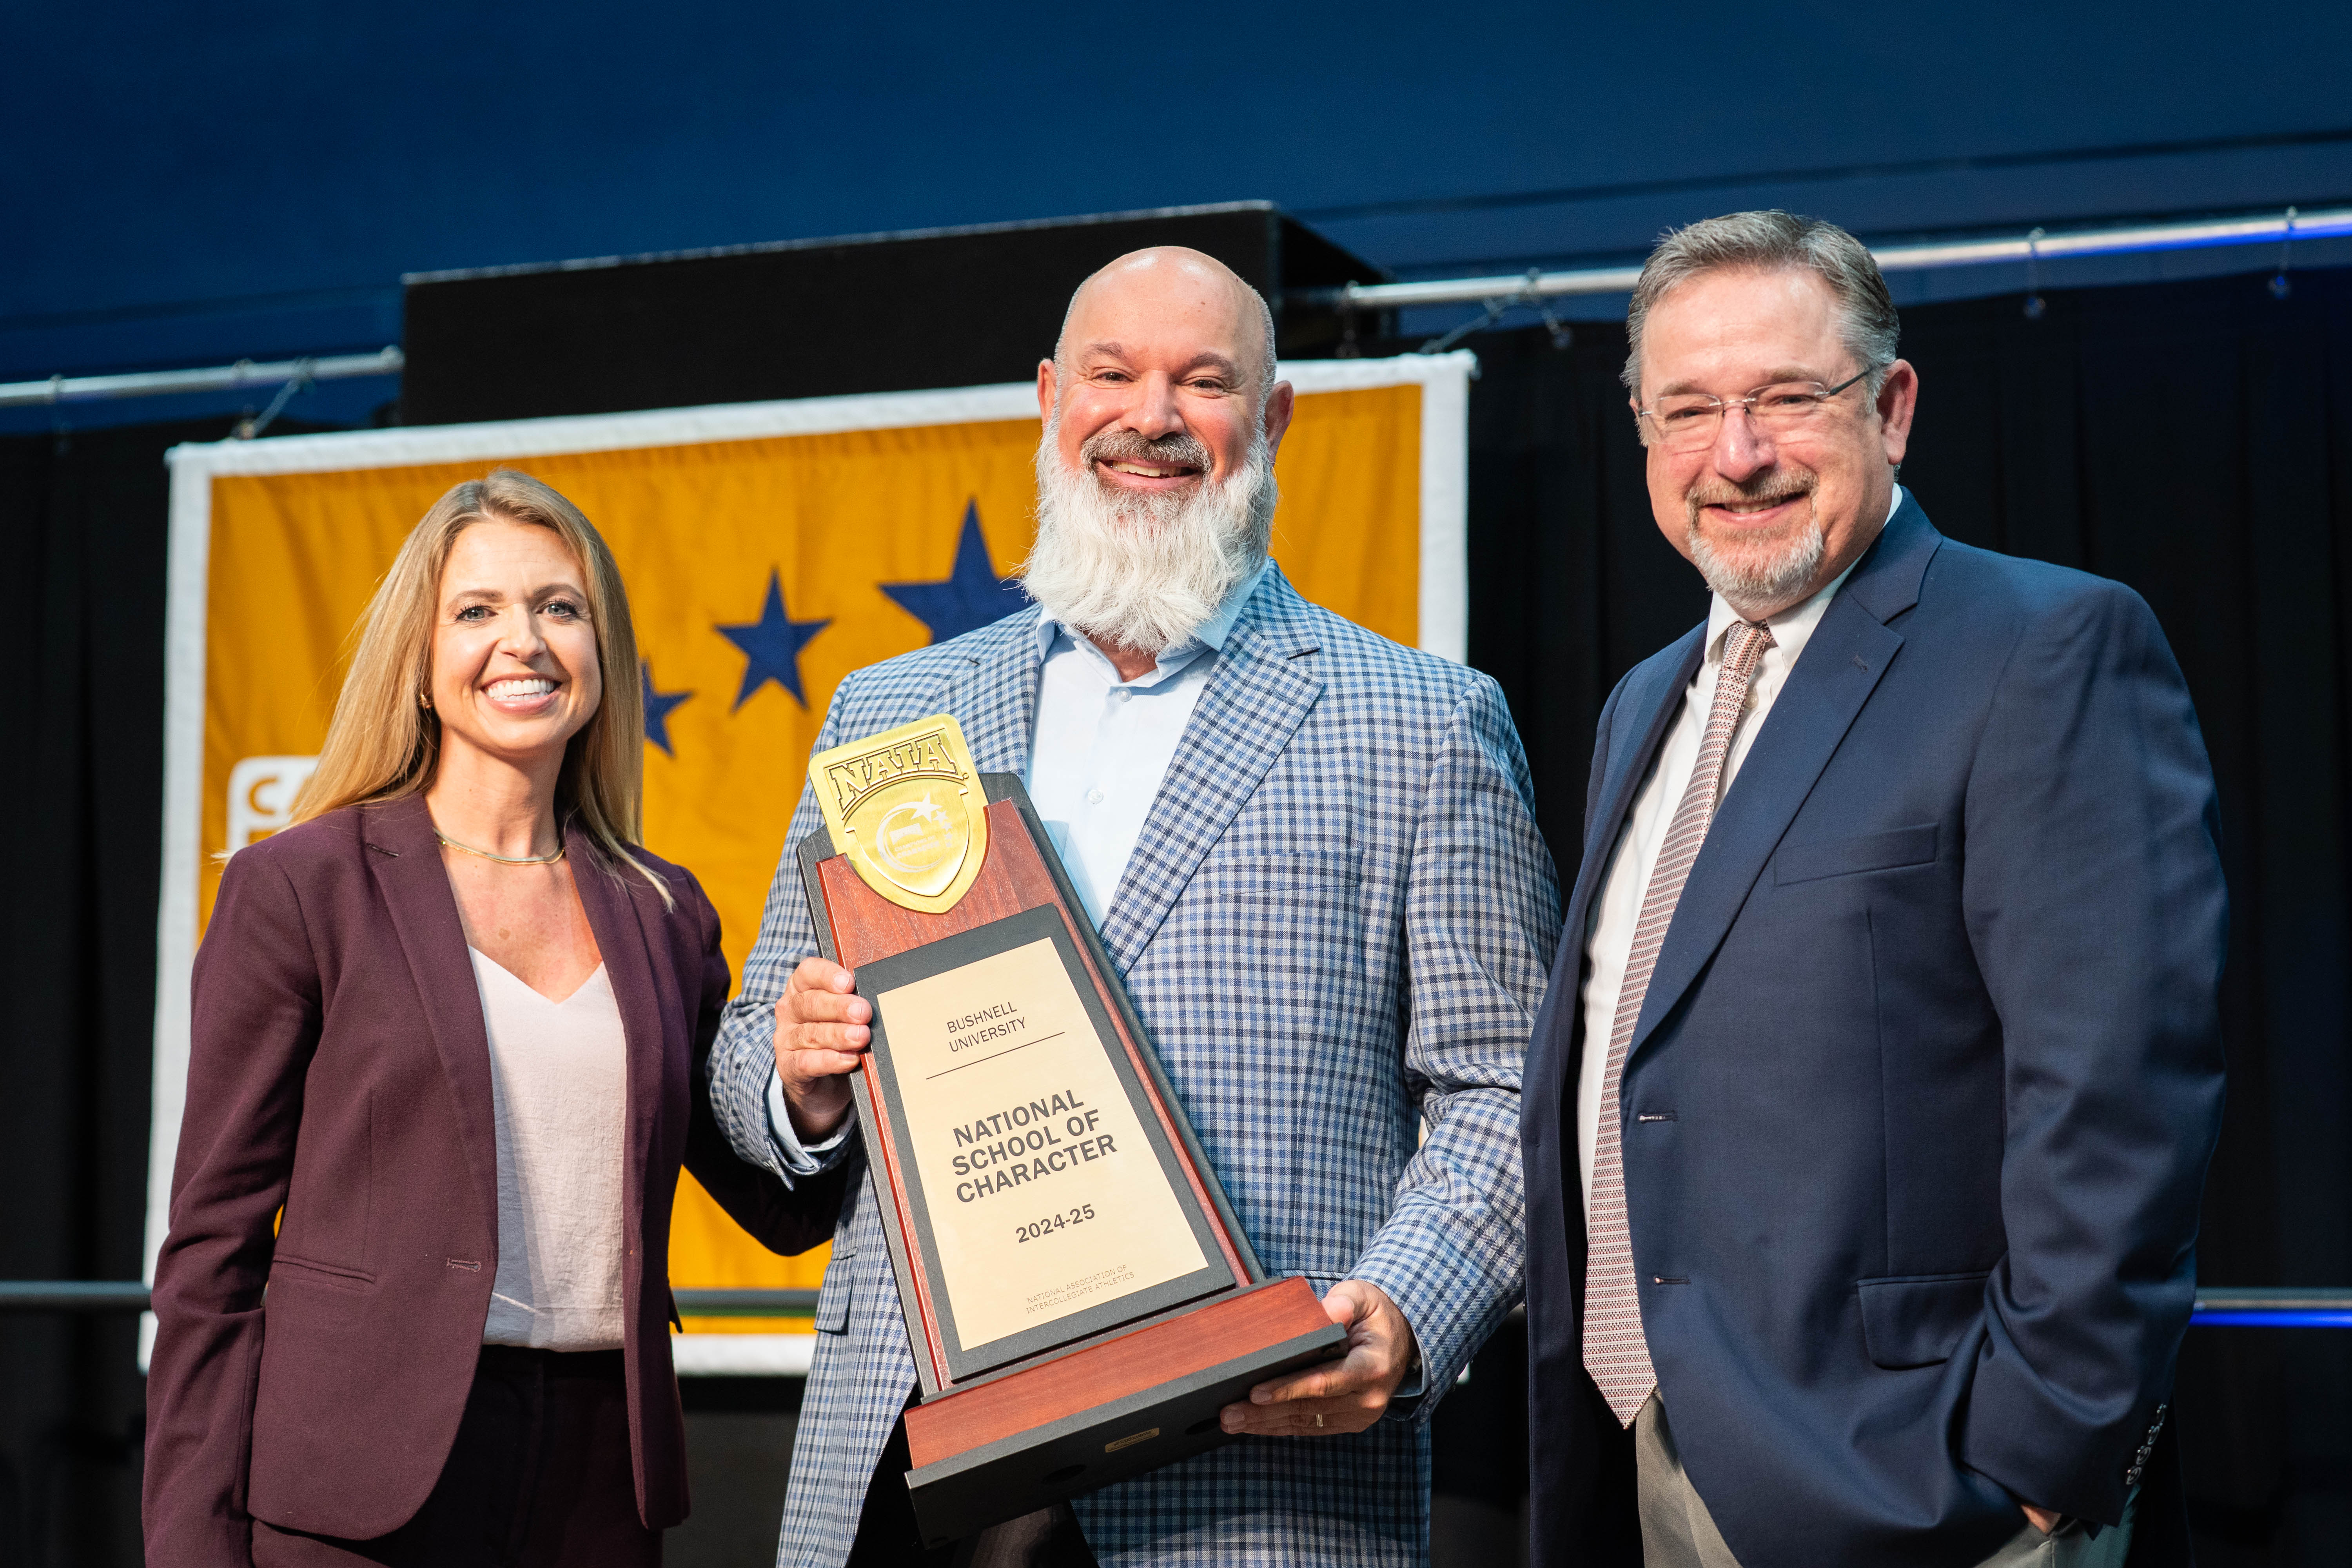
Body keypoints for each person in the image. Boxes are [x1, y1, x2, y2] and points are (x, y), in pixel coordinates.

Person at [706, 246, 1561, 1567]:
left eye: (1203, 382)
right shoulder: (895, 710)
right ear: (1053, 399)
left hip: (1253, 1465)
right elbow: (751, 1052)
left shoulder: (1424, 724)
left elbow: (1508, 1088)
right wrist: (799, 1079)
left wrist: (1403, 1311)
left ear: (1273, 418)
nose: (1151, 418)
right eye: (1112, 375)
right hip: (914, 1461)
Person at [1519, 210, 2227, 1568]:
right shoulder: (1643, 703)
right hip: (1650, 1456)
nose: (1737, 454)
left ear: (1892, 408)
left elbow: (2118, 1093)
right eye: (1689, 411)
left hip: (1926, 1486)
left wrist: (2041, 1456)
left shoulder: (2044, 648)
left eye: (1788, 398)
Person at [145, 470, 838, 1566]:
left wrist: (809, 1097)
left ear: (603, 655)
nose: (525, 640)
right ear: (420, 663)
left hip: (602, 1484)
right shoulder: (302, 887)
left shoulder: (664, 911)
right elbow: (212, 1252)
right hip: (354, 1488)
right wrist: (191, 1543)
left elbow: (779, 1206)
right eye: (477, 611)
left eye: (560, 607)